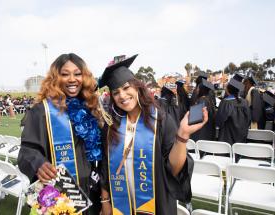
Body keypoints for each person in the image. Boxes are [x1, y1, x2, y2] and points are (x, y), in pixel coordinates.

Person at [98, 54, 208, 215]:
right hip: (121, 202)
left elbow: (174, 169)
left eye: (126, 88)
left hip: (155, 203)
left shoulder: (160, 120)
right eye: (116, 92)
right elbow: (105, 167)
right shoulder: (111, 127)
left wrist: (182, 135)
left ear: (137, 87)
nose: (122, 95)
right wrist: (105, 201)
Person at [17, 53, 103, 214]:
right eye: (65, 74)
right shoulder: (42, 111)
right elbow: (27, 151)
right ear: (55, 78)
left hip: (92, 194)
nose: (72, 79)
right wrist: (38, 164)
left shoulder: (91, 107)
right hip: (59, 198)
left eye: (77, 74)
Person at [216, 79, 251, 145]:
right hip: (241, 135)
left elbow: (220, 120)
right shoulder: (244, 102)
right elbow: (248, 119)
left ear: (228, 90)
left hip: (227, 136)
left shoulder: (225, 102)